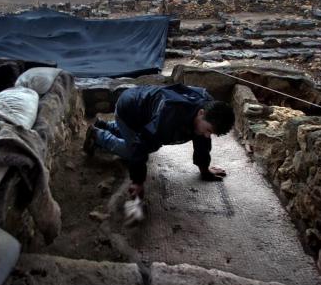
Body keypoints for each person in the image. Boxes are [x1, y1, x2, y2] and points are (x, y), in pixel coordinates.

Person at [83, 84, 235, 200]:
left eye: (212, 133)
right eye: (208, 130)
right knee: (135, 151)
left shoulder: (207, 108)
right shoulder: (170, 116)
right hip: (128, 110)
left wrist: (204, 170)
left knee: (150, 139)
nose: (208, 135)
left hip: (144, 108)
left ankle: (105, 125)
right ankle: (97, 136)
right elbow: (140, 145)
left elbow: (202, 142)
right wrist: (138, 181)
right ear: (201, 113)